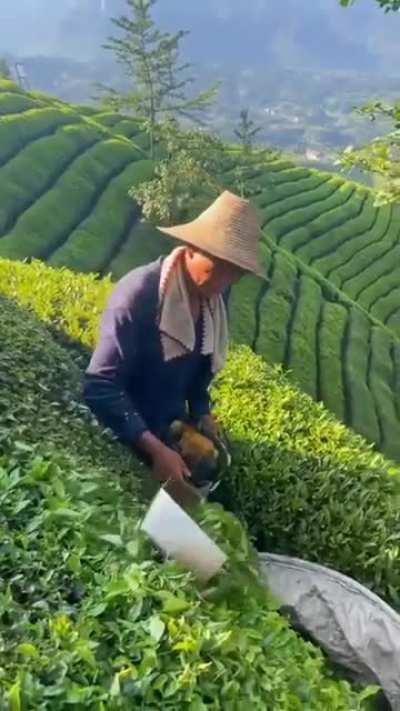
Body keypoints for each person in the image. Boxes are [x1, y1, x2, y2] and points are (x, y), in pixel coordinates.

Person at [83, 190, 266, 500]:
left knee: (213, 472)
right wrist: (155, 451)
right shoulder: (140, 294)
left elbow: (196, 379)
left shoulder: (211, 304)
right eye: (218, 266)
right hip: (127, 427)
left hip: (167, 424)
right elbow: (100, 386)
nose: (223, 281)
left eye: (235, 273)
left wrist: (202, 412)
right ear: (192, 249)